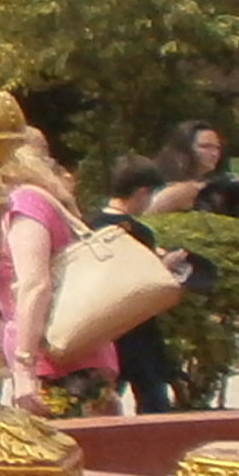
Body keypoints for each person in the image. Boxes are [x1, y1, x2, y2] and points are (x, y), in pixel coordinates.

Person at [0, 132, 117, 420]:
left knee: (61, 457)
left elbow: (34, 284)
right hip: (80, 356)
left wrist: (24, 368)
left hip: (55, 365)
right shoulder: (46, 198)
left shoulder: (24, 203)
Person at [100, 155, 189, 416]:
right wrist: (166, 265)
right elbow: (145, 281)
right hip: (137, 328)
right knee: (153, 399)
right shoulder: (138, 231)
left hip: (101, 326)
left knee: (102, 399)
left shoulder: (89, 223)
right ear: (142, 192)